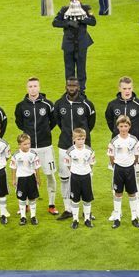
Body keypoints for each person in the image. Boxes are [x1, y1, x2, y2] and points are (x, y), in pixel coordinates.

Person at [53, 77, 97, 219]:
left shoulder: (87, 104)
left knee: (86, 176)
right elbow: (58, 122)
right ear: (66, 86)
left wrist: (80, 139)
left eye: (74, 85)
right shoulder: (59, 104)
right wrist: (69, 135)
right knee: (65, 177)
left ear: (79, 87)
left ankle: (86, 211)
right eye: (69, 85)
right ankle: (68, 209)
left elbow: (91, 123)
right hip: (65, 145)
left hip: (83, 147)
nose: (71, 88)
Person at [52, 0, 97, 90]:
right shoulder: (65, 10)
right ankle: (70, 90)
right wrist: (68, 23)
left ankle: (81, 91)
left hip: (81, 44)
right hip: (69, 44)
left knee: (81, 68)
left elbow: (93, 22)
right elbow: (55, 22)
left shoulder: (86, 9)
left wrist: (81, 18)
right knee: (69, 69)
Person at [107, 117, 139, 227]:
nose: (123, 128)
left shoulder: (134, 140)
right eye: (121, 126)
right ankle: (117, 217)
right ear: (118, 127)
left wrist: (133, 162)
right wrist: (116, 164)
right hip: (118, 169)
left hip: (130, 169)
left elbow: (137, 154)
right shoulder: (114, 141)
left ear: (129, 127)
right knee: (118, 193)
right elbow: (111, 155)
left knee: (132, 192)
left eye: (126, 126)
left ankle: (134, 217)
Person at [64, 127, 97, 228]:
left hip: (86, 177)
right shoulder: (70, 151)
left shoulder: (89, 151)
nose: (81, 141)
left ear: (85, 138)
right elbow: (68, 164)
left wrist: (85, 170)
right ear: (74, 139)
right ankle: (75, 220)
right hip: (75, 177)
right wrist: (75, 171)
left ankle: (87, 219)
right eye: (78, 139)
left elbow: (91, 164)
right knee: (75, 200)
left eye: (82, 139)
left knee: (87, 199)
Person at [11, 133, 42, 225]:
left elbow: (37, 167)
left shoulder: (33, 154)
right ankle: (23, 217)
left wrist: (38, 178)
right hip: (21, 179)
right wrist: (13, 179)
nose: (27, 146)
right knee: (22, 199)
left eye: (29, 143)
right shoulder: (16, 155)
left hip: (31, 178)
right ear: (19, 145)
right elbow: (13, 168)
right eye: (25, 144)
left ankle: (33, 216)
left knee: (32, 198)